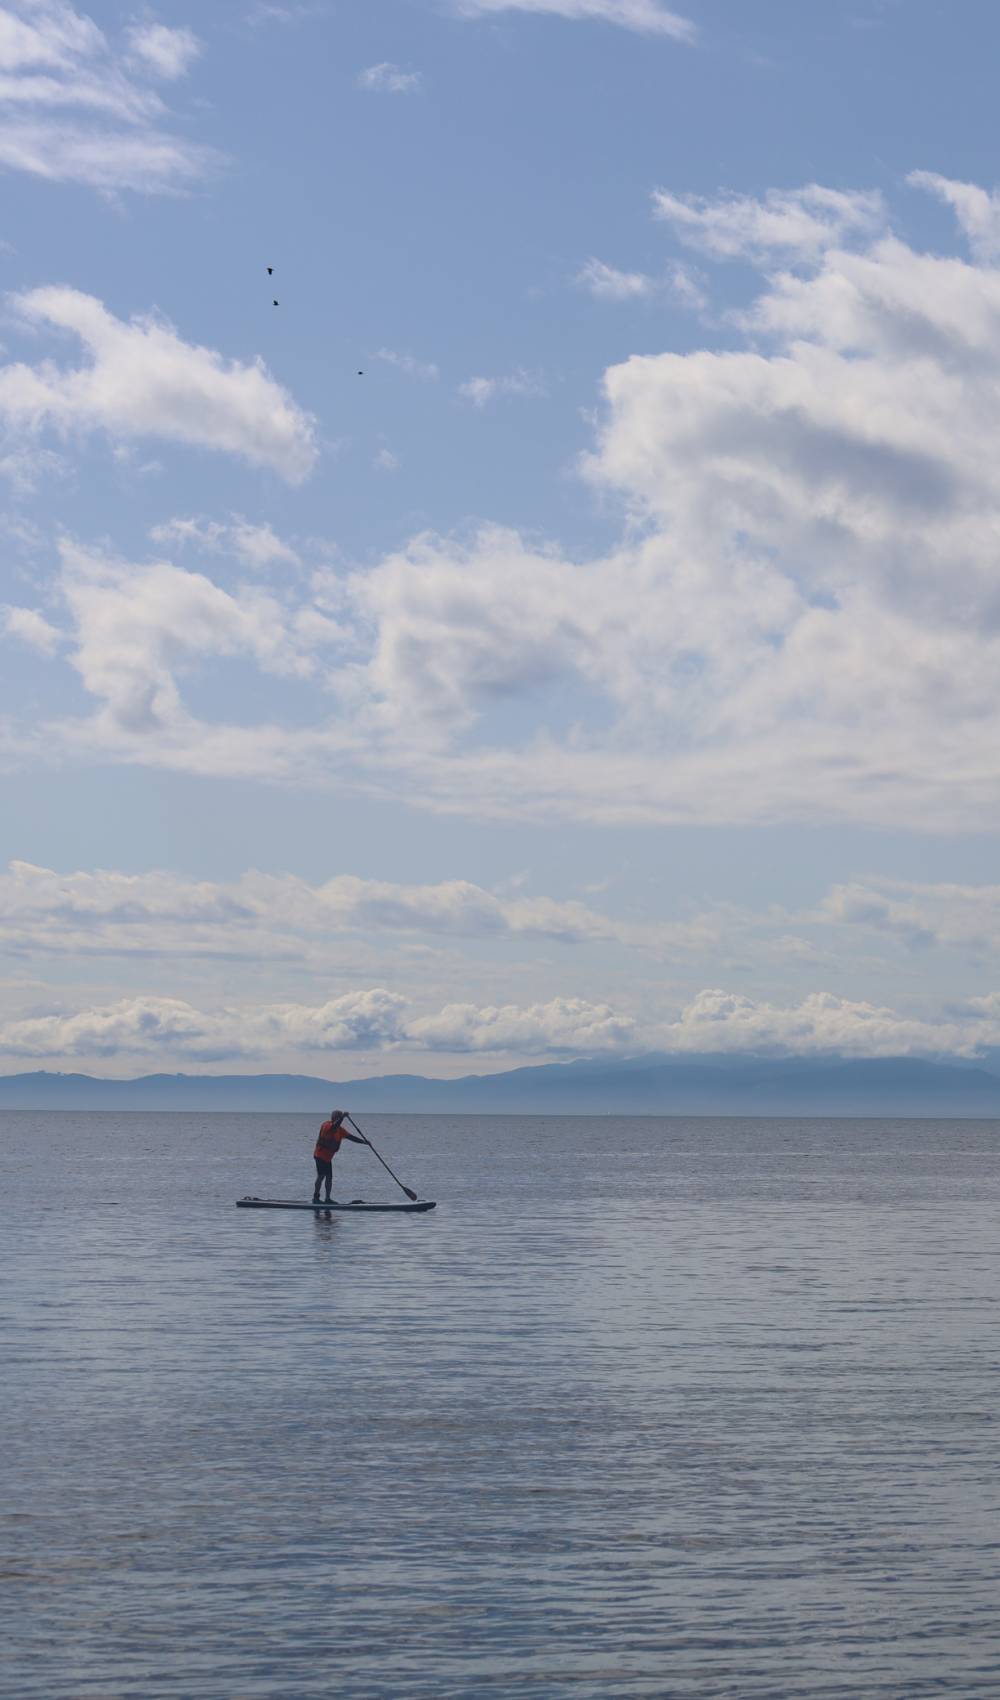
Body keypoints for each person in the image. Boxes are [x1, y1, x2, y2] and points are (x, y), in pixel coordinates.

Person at [313, 1109, 365, 1203]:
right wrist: (343, 1117)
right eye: (338, 1117)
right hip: (319, 1155)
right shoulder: (326, 1125)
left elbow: (351, 1137)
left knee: (329, 1177)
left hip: (328, 1158)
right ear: (334, 1118)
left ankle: (327, 1199)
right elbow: (334, 1127)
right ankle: (316, 1198)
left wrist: (364, 1142)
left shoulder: (340, 1130)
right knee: (321, 1176)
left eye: (339, 1117)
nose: (339, 1119)